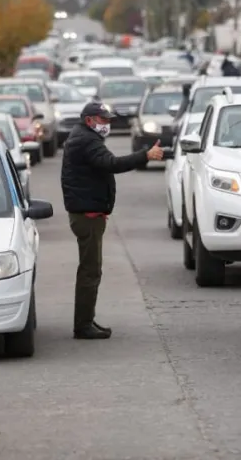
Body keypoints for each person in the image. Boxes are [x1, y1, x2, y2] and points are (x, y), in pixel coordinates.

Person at [61, 101, 164, 339]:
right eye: (103, 120)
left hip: (89, 213)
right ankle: (83, 325)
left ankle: (86, 320)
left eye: (108, 120)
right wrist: (145, 156)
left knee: (91, 269)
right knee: (90, 271)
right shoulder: (86, 140)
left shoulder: (84, 136)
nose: (107, 124)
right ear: (90, 120)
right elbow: (112, 164)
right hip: (87, 216)